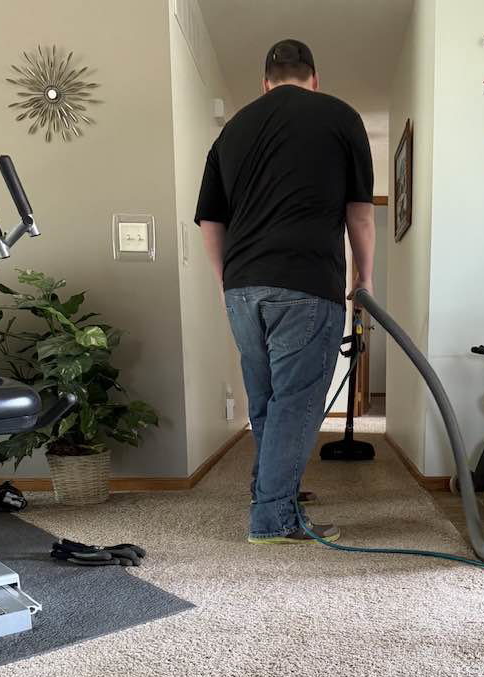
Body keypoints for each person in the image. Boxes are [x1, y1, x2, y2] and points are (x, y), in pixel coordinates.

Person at [195, 39, 375, 545]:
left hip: (243, 288)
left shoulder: (232, 130)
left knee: (267, 399)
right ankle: (273, 518)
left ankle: (269, 487)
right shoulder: (341, 117)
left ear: (265, 83)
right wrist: (365, 280)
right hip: (307, 283)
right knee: (296, 403)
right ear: (314, 79)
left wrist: (226, 279)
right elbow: (359, 213)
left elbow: (211, 218)